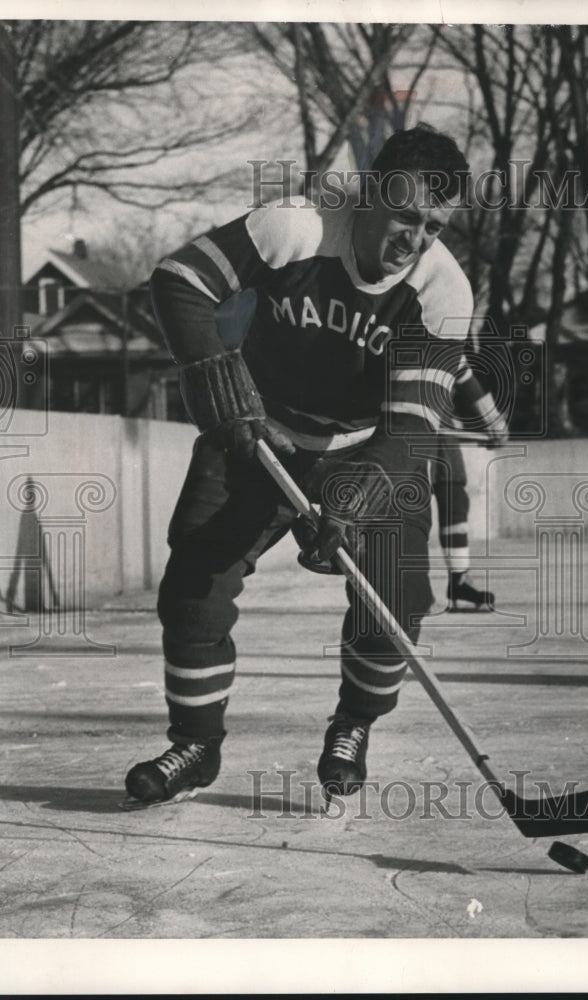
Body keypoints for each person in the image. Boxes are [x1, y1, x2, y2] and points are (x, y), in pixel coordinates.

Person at [125, 124, 474, 805]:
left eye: (433, 226)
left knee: (394, 605)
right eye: (405, 216)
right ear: (369, 195)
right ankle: (196, 743)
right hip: (258, 436)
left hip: (364, 448)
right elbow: (179, 279)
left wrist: (354, 499)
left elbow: (409, 432)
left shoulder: (442, 292)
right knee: (194, 588)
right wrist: (209, 365)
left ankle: (352, 725)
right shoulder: (296, 226)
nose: (415, 239)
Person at [433, 360, 509, 610]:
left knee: (454, 499)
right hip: (401, 426)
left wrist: (494, 423)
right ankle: (395, 583)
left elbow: (463, 374)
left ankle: (459, 580)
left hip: (439, 427)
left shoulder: (442, 333)